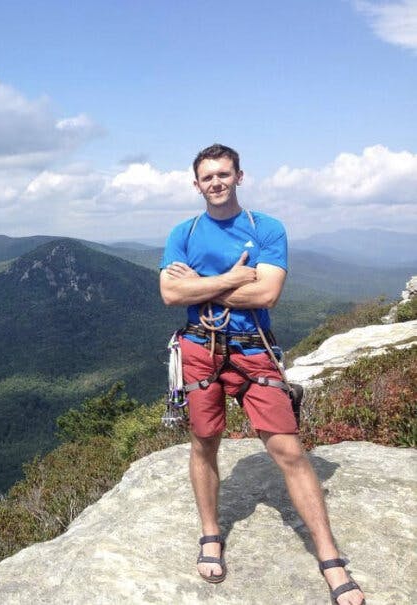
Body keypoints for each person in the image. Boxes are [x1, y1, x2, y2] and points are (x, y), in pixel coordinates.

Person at [158, 144, 365, 605]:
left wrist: (200, 284)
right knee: (204, 441)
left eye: (223, 174)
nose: (216, 182)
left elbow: (266, 295)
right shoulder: (183, 231)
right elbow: (170, 295)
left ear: (239, 177)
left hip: (253, 350)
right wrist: (236, 278)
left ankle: (330, 557)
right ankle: (211, 533)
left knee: (289, 449)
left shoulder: (267, 228)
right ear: (196, 183)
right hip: (199, 348)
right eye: (207, 176)